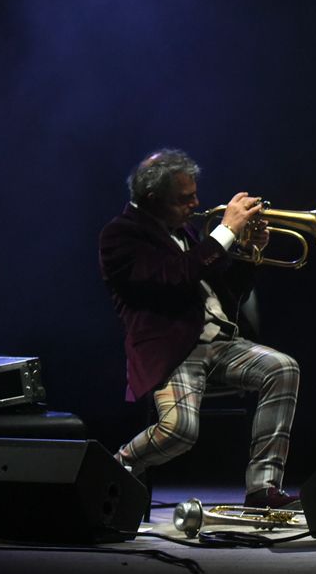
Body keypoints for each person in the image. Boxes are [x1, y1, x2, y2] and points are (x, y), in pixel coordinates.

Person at [99, 148, 300, 509]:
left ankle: (263, 488)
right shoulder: (120, 236)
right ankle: (117, 466)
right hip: (174, 351)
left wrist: (250, 252)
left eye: (194, 194)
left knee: (282, 368)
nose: (196, 203)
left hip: (221, 343)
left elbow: (227, 292)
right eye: (184, 198)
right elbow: (176, 277)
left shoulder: (188, 232)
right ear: (151, 199)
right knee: (179, 431)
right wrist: (225, 232)